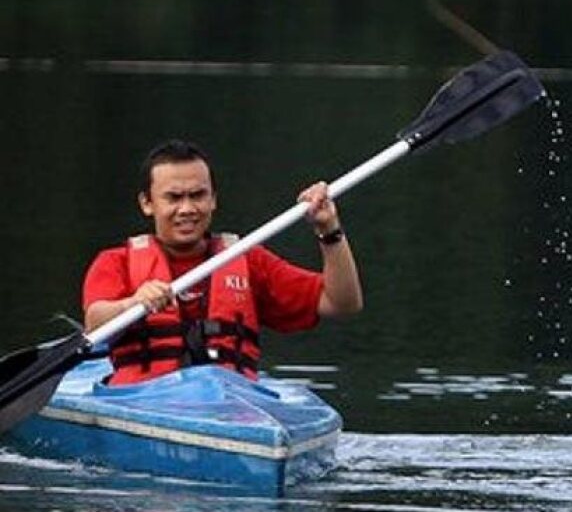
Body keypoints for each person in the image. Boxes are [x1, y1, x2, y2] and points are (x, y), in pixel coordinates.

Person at [82, 139, 363, 384]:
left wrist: (328, 229)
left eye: (198, 195)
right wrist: (132, 303)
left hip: (230, 406)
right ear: (147, 203)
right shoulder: (115, 262)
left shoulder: (248, 260)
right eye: (173, 198)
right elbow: (94, 325)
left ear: (213, 199)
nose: (188, 209)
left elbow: (341, 303)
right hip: (144, 400)